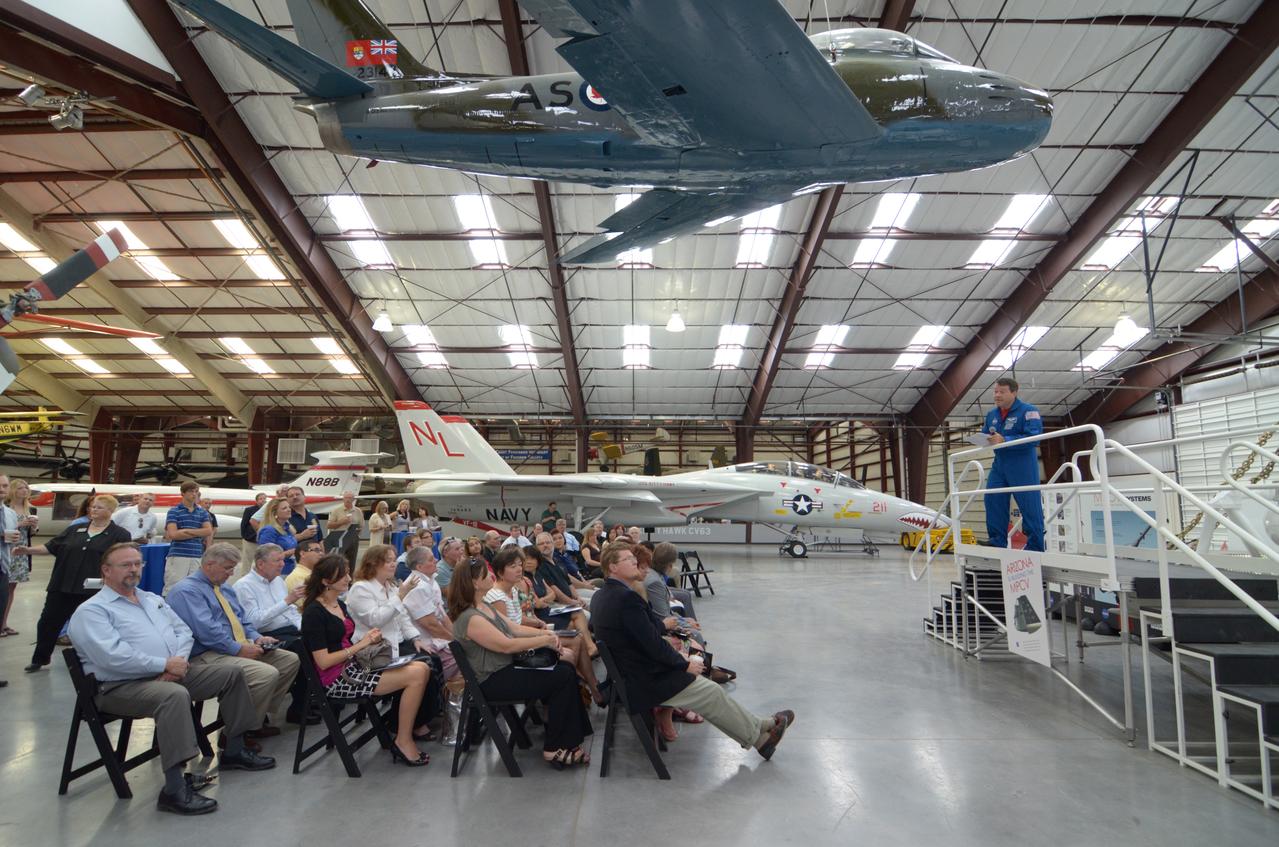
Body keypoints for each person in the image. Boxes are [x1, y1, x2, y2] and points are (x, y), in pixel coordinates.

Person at [68, 542, 274, 816]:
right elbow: (112, 658)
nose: (134, 569)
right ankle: (174, 789)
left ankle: (234, 748)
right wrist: (162, 664)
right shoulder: (92, 611)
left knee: (232, 672)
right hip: (120, 687)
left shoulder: (151, 600)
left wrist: (176, 663)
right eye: (125, 565)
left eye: (137, 563)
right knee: (174, 696)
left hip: (170, 672)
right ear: (106, 570)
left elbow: (183, 632)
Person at [591, 544, 793, 761]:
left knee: (709, 687)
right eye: (628, 559)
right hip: (645, 681)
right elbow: (651, 644)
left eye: (633, 558)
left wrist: (665, 634)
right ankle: (760, 739)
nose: (634, 562)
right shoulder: (626, 599)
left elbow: (638, 632)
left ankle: (763, 727)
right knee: (710, 691)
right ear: (612, 567)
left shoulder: (603, 595)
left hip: (630, 675)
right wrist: (683, 664)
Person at [448, 557, 593, 768]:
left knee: (565, 668)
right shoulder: (471, 618)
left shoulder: (483, 606)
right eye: (485, 574)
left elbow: (515, 629)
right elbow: (506, 645)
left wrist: (548, 634)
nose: (491, 576)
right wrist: (546, 640)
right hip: (493, 680)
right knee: (562, 676)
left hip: (505, 670)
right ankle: (554, 747)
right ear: (475, 583)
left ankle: (569, 737)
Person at [301, 553, 431, 766]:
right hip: (338, 679)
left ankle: (403, 734)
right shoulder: (314, 613)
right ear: (326, 581)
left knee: (422, 667)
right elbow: (323, 662)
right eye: (342, 576)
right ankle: (403, 739)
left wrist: (369, 641)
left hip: (353, 668)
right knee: (417, 673)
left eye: (347, 574)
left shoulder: (337, 606)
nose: (348, 579)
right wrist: (361, 645)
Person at [167, 543, 300, 736]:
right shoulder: (187, 591)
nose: (231, 573)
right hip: (206, 654)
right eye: (227, 568)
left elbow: (243, 621)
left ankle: (255, 716)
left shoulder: (225, 589)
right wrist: (238, 649)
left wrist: (257, 637)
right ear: (209, 564)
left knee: (289, 660)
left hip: (232, 646)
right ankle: (235, 734)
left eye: (233, 568)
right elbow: (207, 632)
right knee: (266, 674)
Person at [19, 493, 131, 672]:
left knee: (93, 627)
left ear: (110, 511)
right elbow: (52, 546)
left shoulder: (120, 534)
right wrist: (27, 550)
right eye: (92, 506)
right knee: (48, 622)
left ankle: (98, 660)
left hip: (94, 590)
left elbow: (125, 560)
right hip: (63, 585)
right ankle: (40, 658)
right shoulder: (74, 529)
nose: (93, 509)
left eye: (99, 507)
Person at [485, 547, 600, 704]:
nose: (519, 569)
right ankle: (577, 692)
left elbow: (517, 619)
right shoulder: (497, 596)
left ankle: (588, 688)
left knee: (576, 637)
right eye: (513, 566)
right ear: (499, 572)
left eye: (520, 564)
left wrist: (538, 625)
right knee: (570, 650)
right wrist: (541, 633)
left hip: (526, 634)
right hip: (517, 649)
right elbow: (509, 631)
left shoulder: (512, 590)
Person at [981, 376, 1045, 553]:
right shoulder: (992, 415)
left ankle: (1036, 546)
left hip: (1022, 464)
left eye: (1002, 392)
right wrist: (984, 439)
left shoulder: (1028, 411)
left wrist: (1006, 439)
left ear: (1014, 392)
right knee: (992, 499)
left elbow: (1034, 438)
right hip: (1000, 464)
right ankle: (997, 541)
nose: (997, 395)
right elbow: (986, 434)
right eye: (995, 391)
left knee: (1029, 505)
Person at [400, 546, 459, 680]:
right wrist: (456, 642)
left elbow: (443, 616)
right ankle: (445, 691)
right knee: (467, 656)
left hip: (436, 637)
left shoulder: (431, 581)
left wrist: (456, 636)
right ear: (420, 567)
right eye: (431, 559)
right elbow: (431, 625)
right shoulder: (418, 586)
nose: (436, 560)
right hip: (424, 641)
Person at [163, 482, 213, 595]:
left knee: (194, 587)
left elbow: (208, 531)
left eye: (196, 492)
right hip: (178, 554)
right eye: (191, 491)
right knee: (173, 586)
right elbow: (173, 534)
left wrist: (186, 531)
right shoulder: (174, 511)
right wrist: (198, 532)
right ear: (182, 493)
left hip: (196, 554)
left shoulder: (202, 512)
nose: (194, 494)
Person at [2, 476, 37, 639]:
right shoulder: (6, 508)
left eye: (26, 487)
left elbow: (32, 534)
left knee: (10, 590)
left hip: (21, 552)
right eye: (20, 488)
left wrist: (34, 527)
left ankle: (3, 623)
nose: (24, 490)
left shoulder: (31, 509)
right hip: (7, 550)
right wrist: (19, 525)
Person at [256, 498, 298, 574]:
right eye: (284, 508)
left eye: (289, 507)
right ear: (274, 513)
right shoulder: (269, 530)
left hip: (289, 570)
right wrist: (288, 553)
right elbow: (264, 555)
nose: (289, 510)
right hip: (275, 573)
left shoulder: (287, 528)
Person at [324, 491, 363, 568]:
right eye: (346, 498)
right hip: (339, 539)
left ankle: (350, 579)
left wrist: (356, 536)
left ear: (353, 499)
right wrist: (341, 522)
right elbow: (328, 525)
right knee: (339, 563)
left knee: (351, 563)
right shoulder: (336, 510)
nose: (348, 500)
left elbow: (361, 525)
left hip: (353, 540)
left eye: (350, 498)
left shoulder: (358, 511)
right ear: (343, 499)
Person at [284, 539, 324, 608]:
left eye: (321, 550)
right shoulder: (297, 576)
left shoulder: (313, 574)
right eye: (317, 550)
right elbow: (305, 606)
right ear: (302, 554)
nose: (321, 553)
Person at [238, 492, 268, 578]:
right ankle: (244, 578)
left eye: (264, 498)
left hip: (262, 540)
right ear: (257, 500)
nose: (263, 500)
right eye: (261, 499)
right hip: (250, 539)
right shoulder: (249, 510)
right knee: (247, 561)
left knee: (261, 561)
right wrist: (245, 536)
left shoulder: (268, 511)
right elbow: (244, 524)